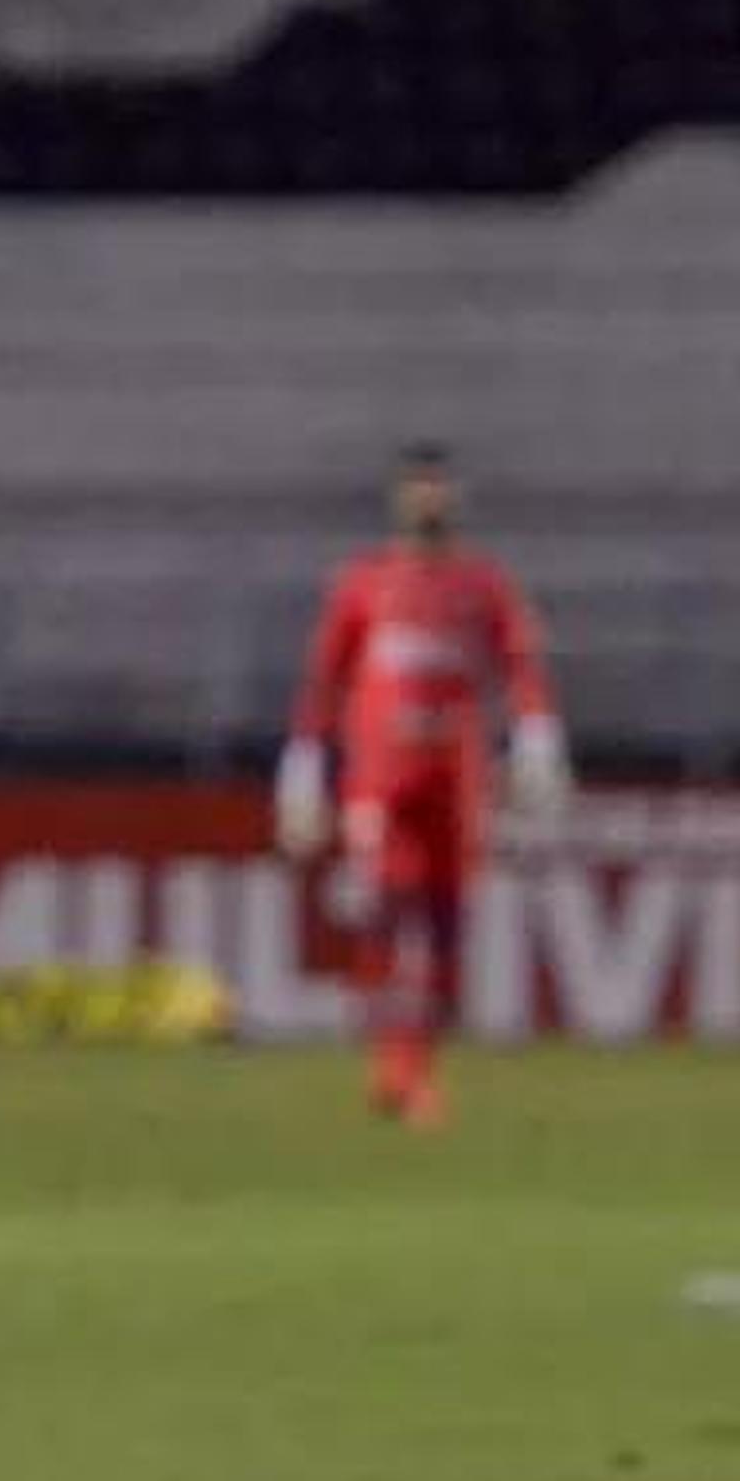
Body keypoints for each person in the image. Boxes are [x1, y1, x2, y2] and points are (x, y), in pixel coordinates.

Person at [276, 443, 569, 1127]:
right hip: (382, 776)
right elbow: (323, 681)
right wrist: (302, 764)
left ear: (454, 500)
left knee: (444, 928)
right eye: (419, 490)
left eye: (439, 491)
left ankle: (416, 1070)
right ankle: (394, 1068)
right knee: (383, 908)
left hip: (455, 776)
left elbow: (522, 666)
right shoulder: (364, 584)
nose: (429, 503)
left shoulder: (482, 586)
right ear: (401, 500)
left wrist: (537, 740)